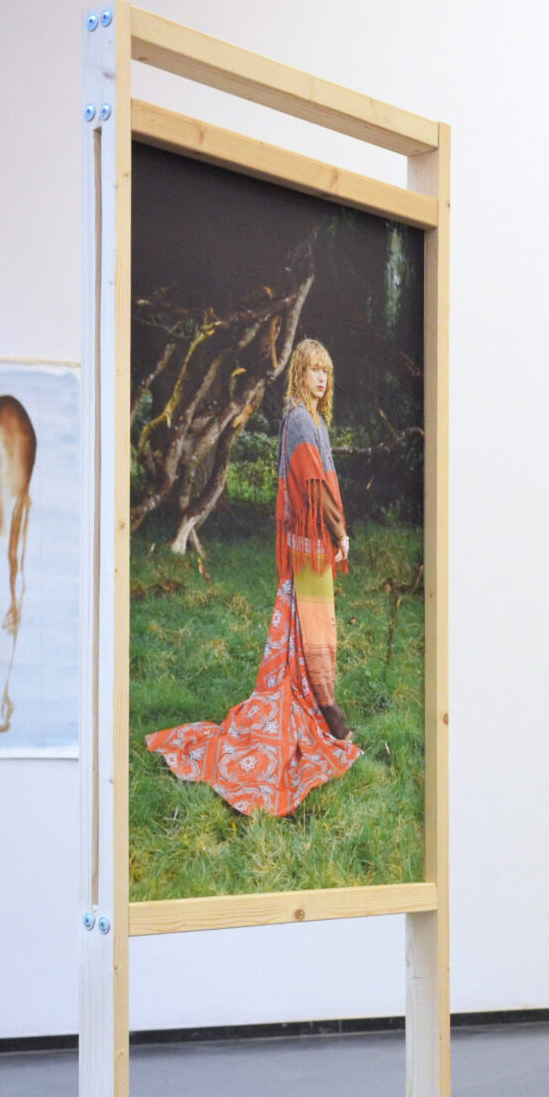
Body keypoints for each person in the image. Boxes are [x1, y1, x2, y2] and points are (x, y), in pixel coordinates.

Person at [144, 339, 359, 816]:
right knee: (315, 628)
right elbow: (315, 488)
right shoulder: (300, 420)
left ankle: (320, 703)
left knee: (312, 626)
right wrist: (339, 532)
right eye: (313, 370)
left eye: (326, 372)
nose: (321, 379)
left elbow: (321, 485)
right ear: (299, 373)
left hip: (312, 542)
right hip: (310, 541)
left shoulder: (314, 420)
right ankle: (328, 710)